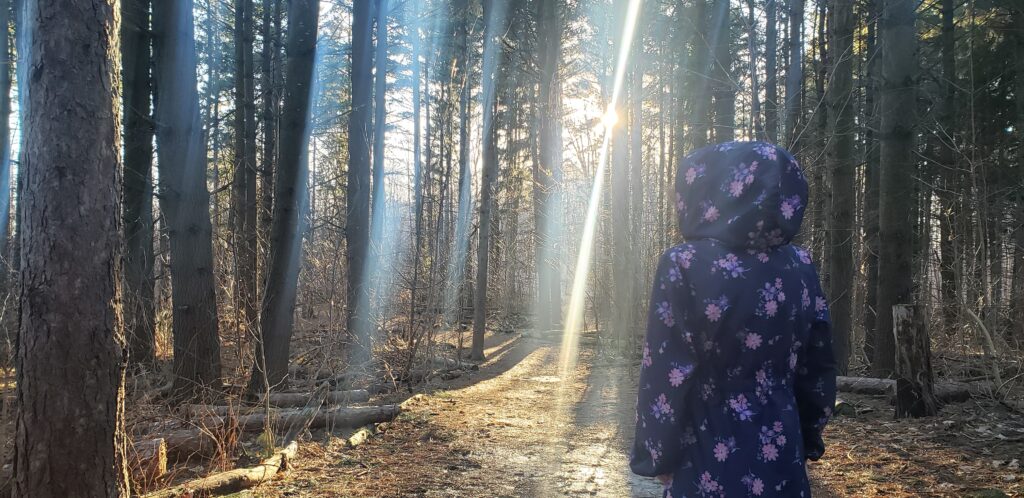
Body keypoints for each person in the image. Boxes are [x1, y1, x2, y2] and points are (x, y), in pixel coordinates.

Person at [630, 141, 836, 497]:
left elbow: (665, 371)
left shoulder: (685, 264)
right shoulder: (800, 266)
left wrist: (657, 455)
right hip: (781, 447)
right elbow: (817, 366)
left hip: (706, 450)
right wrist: (808, 434)